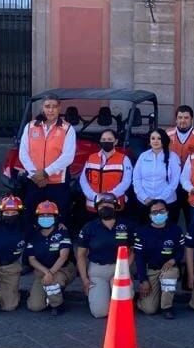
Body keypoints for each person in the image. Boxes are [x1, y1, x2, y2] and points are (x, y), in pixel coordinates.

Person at [18, 94, 76, 225]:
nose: (50, 110)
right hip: (34, 182)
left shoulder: (67, 129)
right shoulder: (30, 127)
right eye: (47, 106)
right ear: (42, 108)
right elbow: (23, 153)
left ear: (59, 108)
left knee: (60, 218)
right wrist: (35, 175)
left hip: (58, 184)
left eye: (54, 107)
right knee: (30, 217)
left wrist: (45, 173)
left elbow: (68, 157)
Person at [76, 193, 136, 318]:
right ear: (97, 208)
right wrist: (85, 280)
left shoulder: (127, 226)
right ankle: (98, 297)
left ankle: (114, 295)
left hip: (120, 268)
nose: (105, 207)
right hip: (97, 270)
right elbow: (81, 255)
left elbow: (133, 250)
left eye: (108, 204)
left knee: (122, 312)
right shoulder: (89, 227)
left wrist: (124, 269)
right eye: (101, 205)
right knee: (99, 313)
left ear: (115, 206)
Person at [134, 199, 185, 319]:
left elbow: (181, 251)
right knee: (149, 309)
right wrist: (143, 280)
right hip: (151, 270)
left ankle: (167, 307)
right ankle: (141, 299)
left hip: (169, 268)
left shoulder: (176, 230)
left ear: (167, 212)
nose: (158, 214)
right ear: (150, 215)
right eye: (154, 212)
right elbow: (139, 258)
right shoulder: (142, 232)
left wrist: (173, 260)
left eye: (161, 211)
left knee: (169, 277)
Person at [26, 201, 76, 316]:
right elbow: (31, 259)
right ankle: (45, 294)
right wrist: (46, 272)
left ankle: (57, 305)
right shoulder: (33, 234)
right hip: (42, 272)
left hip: (62, 269)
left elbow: (63, 256)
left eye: (49, 215)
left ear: (55, 217)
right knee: (35, 307)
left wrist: (51, 273)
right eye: (42, 216)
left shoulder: (62, 231)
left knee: (53, 281)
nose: (45, 218)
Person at [132, 128, 181, 224]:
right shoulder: (143, 156)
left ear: (164, 140)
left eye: (159, 138)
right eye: (153, 138)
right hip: (145, 202)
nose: (155, 141)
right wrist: (144, 197)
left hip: (167, 202)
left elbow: (174, 182)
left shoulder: (173, 157)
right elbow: (136, 179)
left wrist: (161, 200)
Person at [79, 129, 133, 217]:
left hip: (115, 205)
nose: (106, 142)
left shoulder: (124, 159)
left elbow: (126, 181)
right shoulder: (91, 158)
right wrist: (93, 196)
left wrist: (110, 196)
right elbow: (83, 180)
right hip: (93, 206)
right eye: (103, 140)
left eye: (109, 139)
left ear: (115, 142)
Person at [167, 105, 194, 224]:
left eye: (186, 118)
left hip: (191, 183)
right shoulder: (167, 135)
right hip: (172, 182)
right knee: (171, 217)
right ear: (176, 119)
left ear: (192, 119)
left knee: (191, 219)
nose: (183, 120)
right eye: (180, 117)